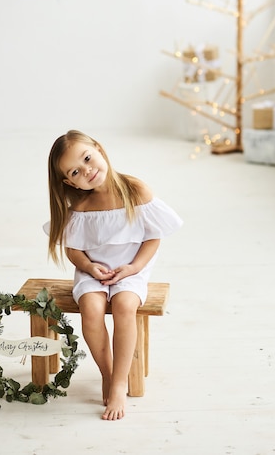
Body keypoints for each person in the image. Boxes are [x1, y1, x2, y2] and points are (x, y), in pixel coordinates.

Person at [46, 130, 182, 421]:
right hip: (92, 270)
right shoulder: (81, 208)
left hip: (131, 269)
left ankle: (120, 382)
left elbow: (153, 237)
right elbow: (74, 251)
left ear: (98, 149)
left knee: (124, 306)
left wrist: (133, 268)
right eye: (76, 171)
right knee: (91, 309)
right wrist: (89, 266)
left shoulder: (135, 190)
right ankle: (107, 373)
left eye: (87, 158)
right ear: (69, 182)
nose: (88, 170)